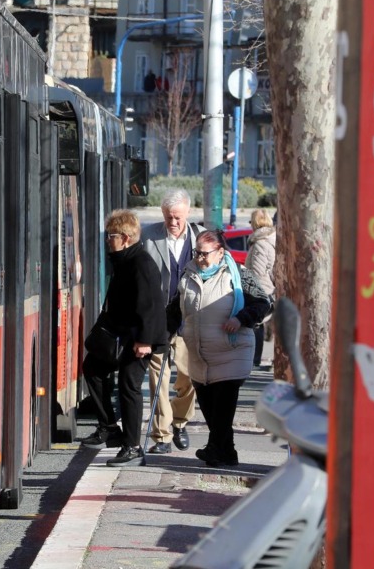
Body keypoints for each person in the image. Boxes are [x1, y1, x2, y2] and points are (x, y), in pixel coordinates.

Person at [167, 230, 272, 467]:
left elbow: (263, 303)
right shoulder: (189, 274)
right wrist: (161, 334)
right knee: (209, 407)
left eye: (205, 254)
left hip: (231, 351)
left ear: (220, 253)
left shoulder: (238, 275)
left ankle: (214, 449)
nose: (200, 258)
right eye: (197, 253)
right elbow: (176, 309)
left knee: (222, 409)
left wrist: (241, 319)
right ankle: (227, 452)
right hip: (200, 355)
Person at [79, 209, 168, 466]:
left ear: (126, 238)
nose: (108, 240)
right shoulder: (124, 260)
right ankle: (109, 427)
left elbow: (150, 305)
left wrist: (145, 342)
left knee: (129, 385)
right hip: (122, 336)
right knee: (93, 369)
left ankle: (132, 447)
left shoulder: (140, 262)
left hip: (139, 339)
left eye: (112, 235)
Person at [141, 189, 202, 455]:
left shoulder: (201, 238)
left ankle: (180, 422)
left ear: (187, 213)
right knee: (159, 379)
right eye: (168, 217)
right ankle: (162, 436)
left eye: (177, 217)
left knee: (189, 379)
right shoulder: (149, 236)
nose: (173, 222)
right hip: (159, 320)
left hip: (190, 320)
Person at [245, 209, 276, 367]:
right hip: (269, 289)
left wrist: (249, 288)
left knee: (256, 324)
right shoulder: (270, 239)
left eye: (251, 222)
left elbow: (257, 272)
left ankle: (254, 361)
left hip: (260, 290)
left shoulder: (260, 244)